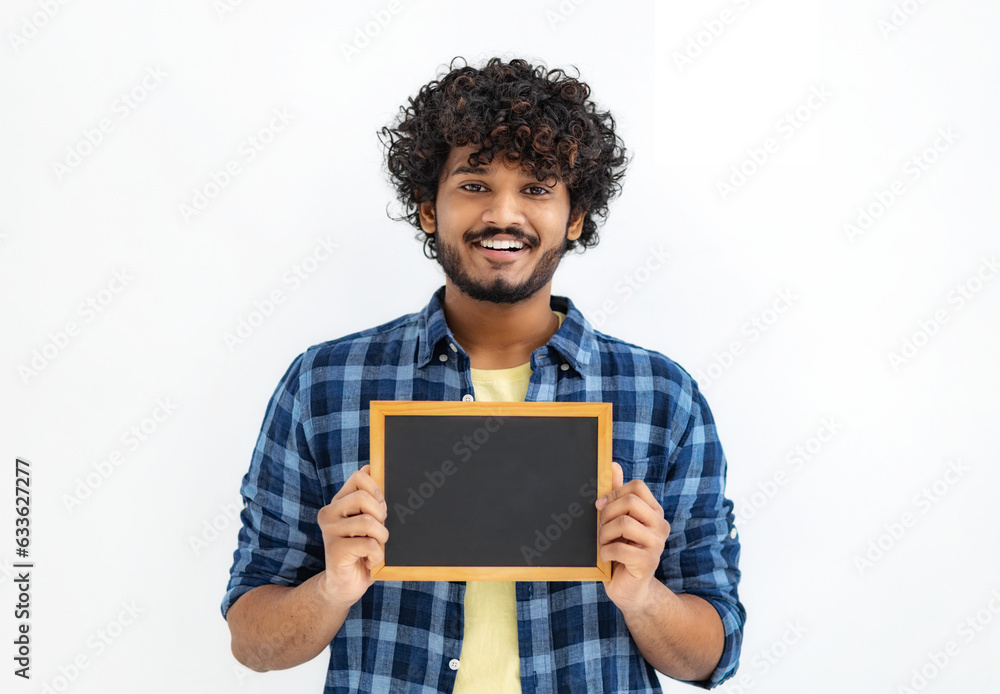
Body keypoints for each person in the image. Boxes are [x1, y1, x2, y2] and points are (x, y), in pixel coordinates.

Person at [222, 56, 745, 692]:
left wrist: (643, 595)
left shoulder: (663, 397)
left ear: (574, 217)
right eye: (474, 185)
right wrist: (331, 588)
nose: (504, 214)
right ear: (426, 208)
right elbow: (253, 642)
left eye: (536, 188)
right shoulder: (324, 383)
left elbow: (712, 656)